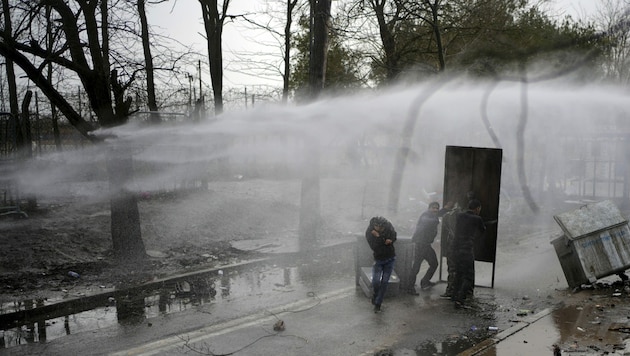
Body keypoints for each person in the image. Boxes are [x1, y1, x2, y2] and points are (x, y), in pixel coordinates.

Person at [407, 201, 452, 295]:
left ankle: (424, 281)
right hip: (421, 245)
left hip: (426, 245)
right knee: (417, 266)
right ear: (429, 208)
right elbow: (426, 220)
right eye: (433, 208)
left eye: (437, 208)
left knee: (433, 263)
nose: (435, 210)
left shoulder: (432, 215)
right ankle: (410, 287)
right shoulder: (426, 215)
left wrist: (445, 209)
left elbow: (438, 213)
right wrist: (437, 220)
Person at [450, 199, 486, 309]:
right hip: (467, 249)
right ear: (477, 208)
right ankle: (460, 300)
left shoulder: (460, 216)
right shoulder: (477, 218)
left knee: (459, 273)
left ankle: (454, 295)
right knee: (468, 276)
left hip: (456, 249)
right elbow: (482, 230)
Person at [365, 216, 397, 313]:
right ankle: (376, 294)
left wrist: (389, 239)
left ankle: (378, 303)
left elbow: (394, 235)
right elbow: (374, 246)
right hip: (379, 258)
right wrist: (382, 239)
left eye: (382, 228)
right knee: (375, 281)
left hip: (390, 257)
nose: (381, 229)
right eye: (378, 227)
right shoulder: (369, 233)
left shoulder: (388, 226)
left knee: (385, 282)